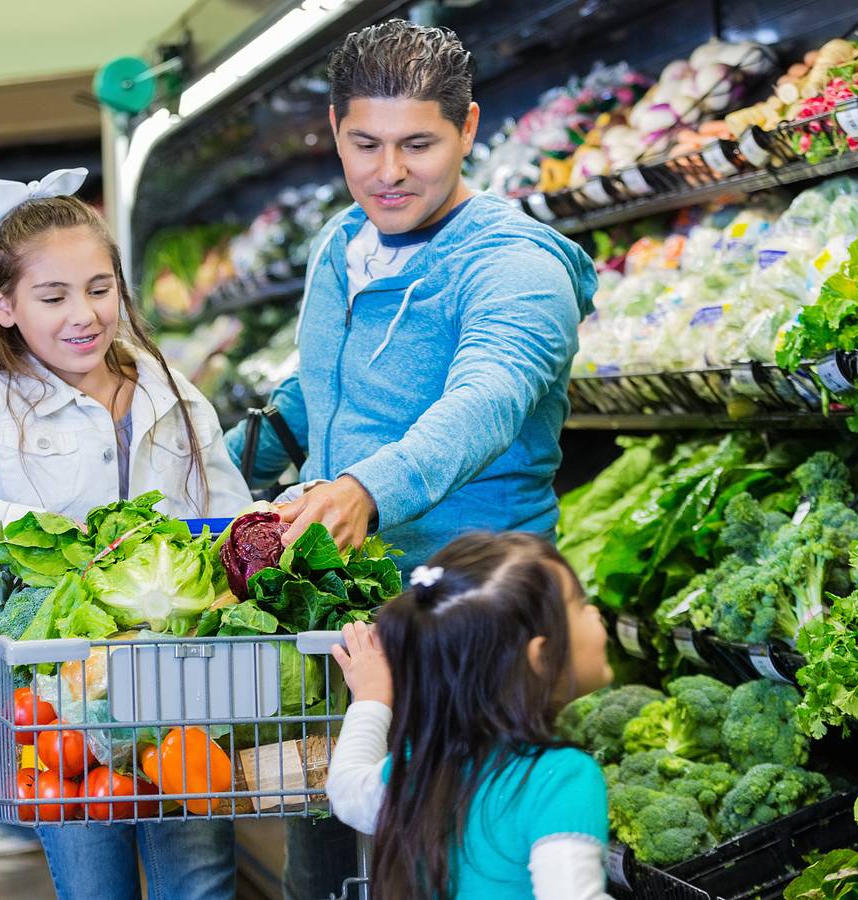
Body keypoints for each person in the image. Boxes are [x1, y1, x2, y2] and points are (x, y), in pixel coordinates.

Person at [222, 23, 597, 896]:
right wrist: (227, 448)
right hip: (357, 608)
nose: (389, 171)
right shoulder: (339, 243)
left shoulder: (513, 266)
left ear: (468, 129)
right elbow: (328, 390)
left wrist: (367, 487)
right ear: (335, 130)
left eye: (418, 144)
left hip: (475, 619)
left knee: (446, 859)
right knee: (331, 844)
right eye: (366, 144)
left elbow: (488, 398)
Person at [0, 169, 252, 900]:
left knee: (202, 887)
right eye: (53, 297)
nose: (83, 314)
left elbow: (232, 520)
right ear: (4, 304)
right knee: (93, 891)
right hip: (62, 708)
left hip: (181, 691)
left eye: (100, 288)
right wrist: (48, 531)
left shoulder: (170, 389)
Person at [325, 532, 614, 899]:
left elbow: (347, 792)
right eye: (580, 602)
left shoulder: (426, 763)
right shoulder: (561, 778)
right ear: (540, 657)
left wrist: (370, 697)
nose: (594, 611)